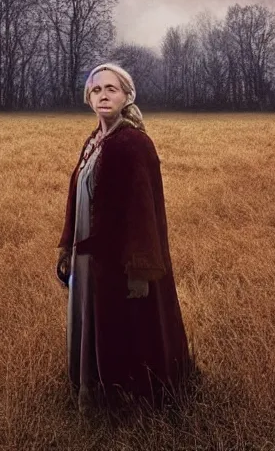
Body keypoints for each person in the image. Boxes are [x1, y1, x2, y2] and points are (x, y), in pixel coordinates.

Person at [55, 63, 192, 414]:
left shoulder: (132, 142)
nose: (103, 94)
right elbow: (77, 195)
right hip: (89, 255)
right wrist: (68, 246)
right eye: (96, 89)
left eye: (111, 89)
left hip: (118, 262)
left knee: (122, 327)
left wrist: (140, 269)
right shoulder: (95, 140)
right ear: (88, 97)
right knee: (92, 323)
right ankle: (94, 388)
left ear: (126, 96)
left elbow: (143, 210)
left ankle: (126, 401)